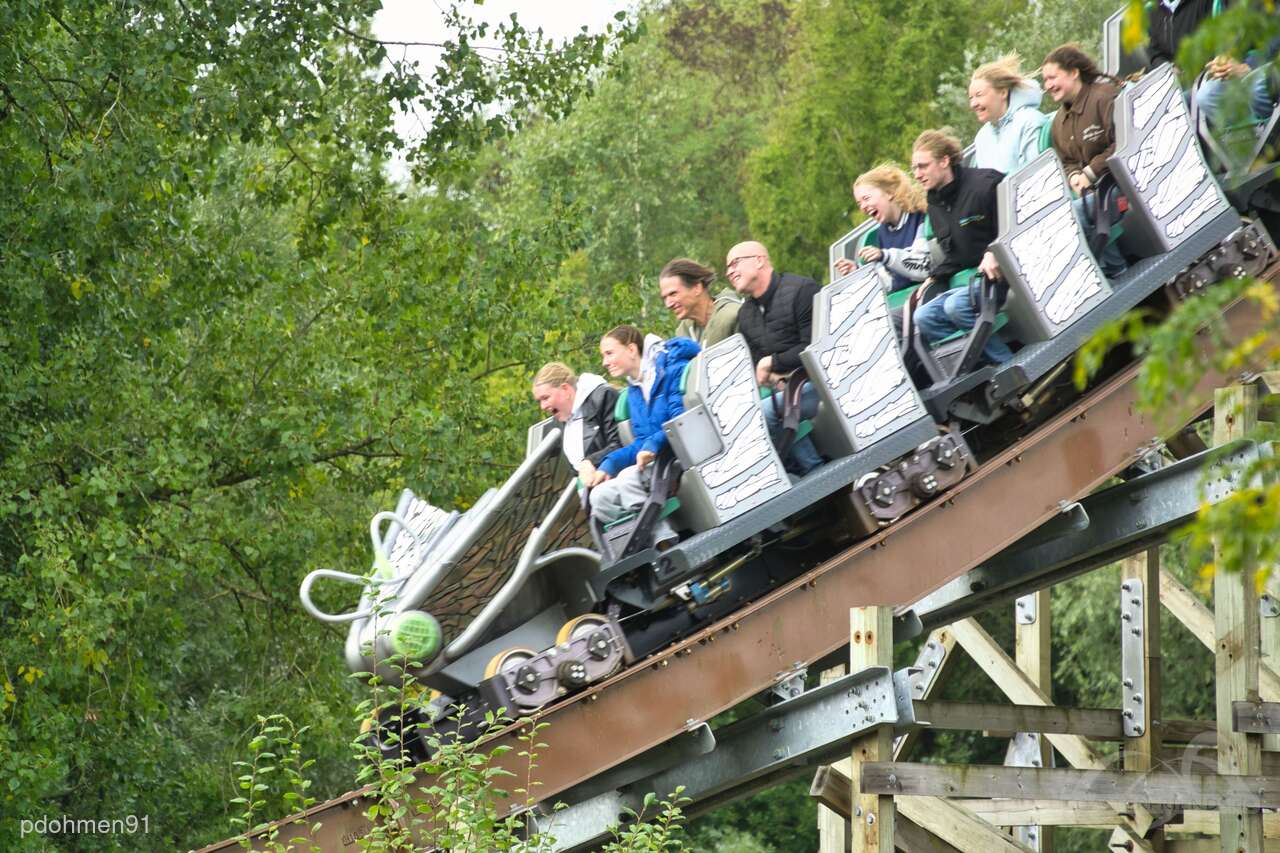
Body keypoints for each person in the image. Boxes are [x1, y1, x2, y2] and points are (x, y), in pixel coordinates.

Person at [907, 129, 1014, 366]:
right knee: (923, 317)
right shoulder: (935, 204)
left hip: (1005, 272)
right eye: (914, 168)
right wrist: (934, 277)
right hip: (975, 279)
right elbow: (956, 253)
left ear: (944, 161)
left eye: (923, 166)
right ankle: (973, 368)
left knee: (956, 306)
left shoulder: (986, 184)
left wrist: (993, 251)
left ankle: (1006, 363)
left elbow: (1014, 223)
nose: (917, 174)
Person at [588, 325, 700, 547]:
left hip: (680, 454)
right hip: (656, 462)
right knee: (599, 497)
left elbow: (679, 420)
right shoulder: (634, 390)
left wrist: (652, 445)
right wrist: (608, 464)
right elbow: (640, 442)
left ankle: (663, 541)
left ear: (631, 349)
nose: (604, 362)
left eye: (609, 353)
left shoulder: (670, 369)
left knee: (629, 478)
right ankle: (635, 547)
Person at [726, 240, 826, 476]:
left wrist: (772, 363)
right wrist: (771, 371)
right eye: (727, 268)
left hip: (823, 382)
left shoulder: (802, 290)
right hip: (784, 390)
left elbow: (815, 346)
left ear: (759, 260)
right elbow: (757, 370)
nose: (729, 272)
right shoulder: (746, 314)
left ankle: (813, 473)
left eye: (734, 263)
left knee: (766, 412)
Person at [1042, 44, 1128, 276]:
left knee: (1072, 216)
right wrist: (1073, 177)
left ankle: (1112, 271)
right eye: (1045, 81)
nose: (1048, 85)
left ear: (1073, 72)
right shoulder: (1058, 122)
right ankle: (1108, 272)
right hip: (1094, 193)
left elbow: (1124, 141)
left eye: (1052, 77)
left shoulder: (1104, 97)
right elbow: (1067, 160)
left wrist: (1089, 172)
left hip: (1124, 182)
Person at [833, 164, 930, 296]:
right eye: (859, 203)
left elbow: (924, 268)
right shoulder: (883, 232)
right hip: (903, 299)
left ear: (889, 193)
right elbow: (890, 283)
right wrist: (858, 272)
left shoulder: (920, 218)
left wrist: (885, 256)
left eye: (866, 199)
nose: (863, 207)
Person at [531, 362, 621, 488]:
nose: (543, 406)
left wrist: (590, 461)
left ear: (565, 389)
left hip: (616, 481)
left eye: (545, 398)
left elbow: (621, 444)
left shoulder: (603, 397)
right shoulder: (562, 418)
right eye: (539, 401)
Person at [969, 53, 1050, 174]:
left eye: (979, 95)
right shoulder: (982, 137)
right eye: (971, 98)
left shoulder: (1029, 121)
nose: (973, 104)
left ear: (1003, 93)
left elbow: (1035, 175)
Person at [659, 257, 743, 347]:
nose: (668, 304)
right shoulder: (683, 332)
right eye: (665, 297)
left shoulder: (733, 316)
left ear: (697, 288)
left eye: (673, 294)